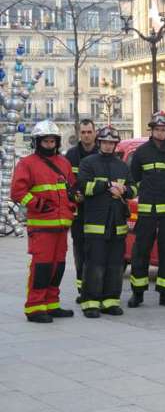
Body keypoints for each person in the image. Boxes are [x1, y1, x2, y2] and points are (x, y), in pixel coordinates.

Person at [10, 120, 75, 323]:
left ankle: (52, 304)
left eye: (52, 141)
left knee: (58, 266)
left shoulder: (64, 163)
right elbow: (17, 192)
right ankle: (35, 307)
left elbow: (71, 189)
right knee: (42, 267)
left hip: (61, 226)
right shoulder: (27, 163)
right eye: (45, 141)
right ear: (37, 142)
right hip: (41, 226)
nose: (49, 145)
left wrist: (73, 203)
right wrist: (38, 204)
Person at [128, 111, 165, 308]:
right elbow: (134, 178)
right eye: (157, 129)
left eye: (164, 130)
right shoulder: (141, 152)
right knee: (141, 251)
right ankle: (137, 293)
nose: (161, 133)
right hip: (147, 210)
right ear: (151, 130)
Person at [77, 126, 136, 318]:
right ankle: (90, 303)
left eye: (111, 143)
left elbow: (134, 188)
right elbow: (83, 187)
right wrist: (107, 185)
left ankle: (111, 301)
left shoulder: (122, 166)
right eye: (105, 142)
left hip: (117, 224)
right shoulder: (88, 163)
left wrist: (125, 191)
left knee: (115, 265)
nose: (108, 146)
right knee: (95, 264)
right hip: (96, 223)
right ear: (99, 143)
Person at [65, 118, 98, 303]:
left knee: (96, 252)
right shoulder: (71, 155)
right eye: (83, 132)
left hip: (97, 210)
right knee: (80, 253)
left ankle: (95, 288)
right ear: (79, 134)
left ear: (95, 133)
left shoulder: (101, 152)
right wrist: (73, 195)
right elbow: (65, 181)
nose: (86, 135)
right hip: (78, 212)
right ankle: (82, 290)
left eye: (89, 132)